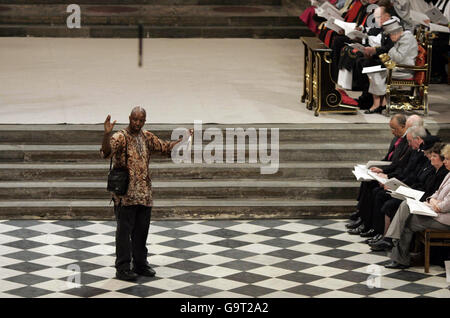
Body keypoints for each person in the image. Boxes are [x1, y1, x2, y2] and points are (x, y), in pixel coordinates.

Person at [100, 106, 192, 281]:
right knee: (124, 232)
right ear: (129, 118)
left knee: (142, 231)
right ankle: (123, 267)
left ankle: (140, 264)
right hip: (125, 195)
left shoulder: (146, 137)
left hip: (144, 194)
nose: (137, 123)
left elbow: (165, 148)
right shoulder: (120, 137)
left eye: (141, 120)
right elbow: (105, 153)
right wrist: (106, 135)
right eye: (135, 119)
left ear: (144, 121)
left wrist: (183, 139)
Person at [370, 142, 447, 251]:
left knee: (402, 213)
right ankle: (388, 239)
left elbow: (439, 200)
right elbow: (432, 192)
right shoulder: (435, 170)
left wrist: (429, 200)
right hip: (425, 200)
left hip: (436, 211)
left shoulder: (444, 173)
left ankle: (392, 241)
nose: (431, 158)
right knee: (395, 202)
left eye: (434, 156)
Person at [384, 144, 450, 269]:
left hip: (445, 220)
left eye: (447, 159)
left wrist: (434, 202)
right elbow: (436, 193)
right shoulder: (448, 174)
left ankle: (398, 251)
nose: (444, 161)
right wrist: (432, 200)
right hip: (436, 212)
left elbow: (444, 206)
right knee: (405, 204)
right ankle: (395, 241)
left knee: (407, 222)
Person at [365, 17, 418, 114]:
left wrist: (392, 47)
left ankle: (378, 104)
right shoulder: (402, 37)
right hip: (397, 67)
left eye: (390, 34)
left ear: (395, 32)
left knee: (374, 72)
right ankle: (381, 103)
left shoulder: (407, 38)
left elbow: (399, 58)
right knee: (371, 69)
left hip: (405, 70)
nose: (389, 37)